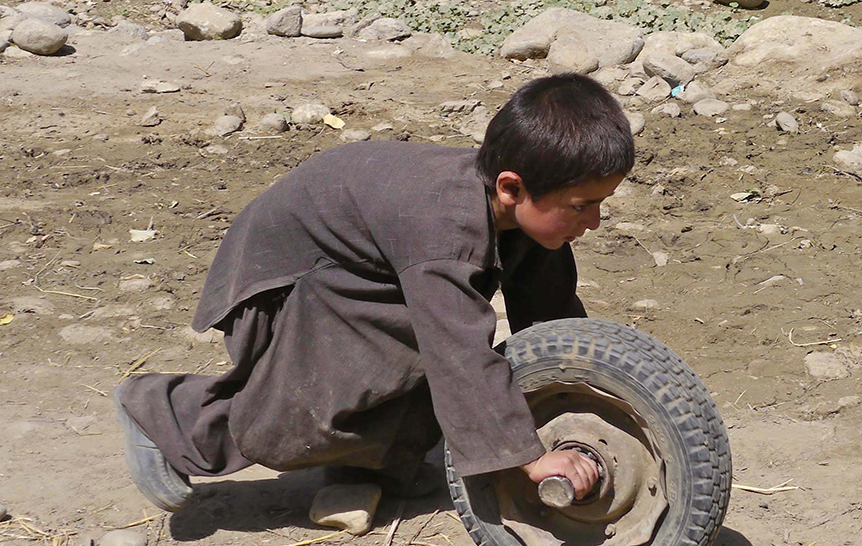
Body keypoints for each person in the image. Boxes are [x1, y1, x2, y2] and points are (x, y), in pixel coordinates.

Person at [113, 74, 628, 510]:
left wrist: (585, 396)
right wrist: (530, 457)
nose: (596, 221)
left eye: (601, 202)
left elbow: (554, 325)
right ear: (511, 188)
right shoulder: (444, 230)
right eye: (582, 206)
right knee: (332, 392)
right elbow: (459, 356)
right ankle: (169, 418)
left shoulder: (522, 213)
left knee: (437, 337)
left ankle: (373, 463)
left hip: (362, 265)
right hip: (284, 282)